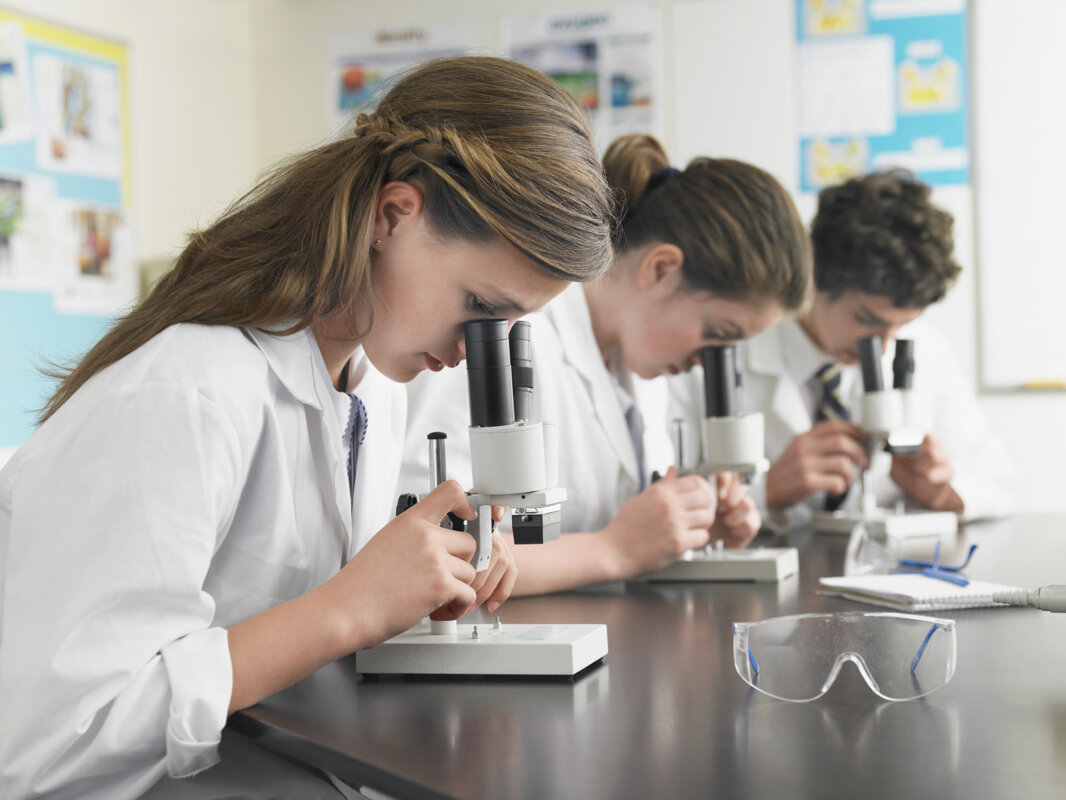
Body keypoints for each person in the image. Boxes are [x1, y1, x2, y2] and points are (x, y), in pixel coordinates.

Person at [0, 56, 614, 799]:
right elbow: (49, 748)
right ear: (394, 215)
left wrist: (406, 594)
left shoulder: (367, 388)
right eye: (480, 309)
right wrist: (349, 608)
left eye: (506, 328)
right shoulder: (189, 394)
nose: (465, 353)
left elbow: (278, 624)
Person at [401, 134, 812, 595]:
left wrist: (690, 530)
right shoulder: (505, 326)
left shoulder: (644, 371)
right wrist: (613, 549)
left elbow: (629, 531)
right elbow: (425, 547)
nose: (705, 364)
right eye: (717, 334)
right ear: (659, 269)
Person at [670, 169, 1014, 531]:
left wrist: (942, 491)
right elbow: (664, 496)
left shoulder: (925, 348)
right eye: (867, 320)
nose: (883, 347)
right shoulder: (724, 348)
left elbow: (998, 480)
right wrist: (767, 491)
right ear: (817, 277)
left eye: (901, 326)